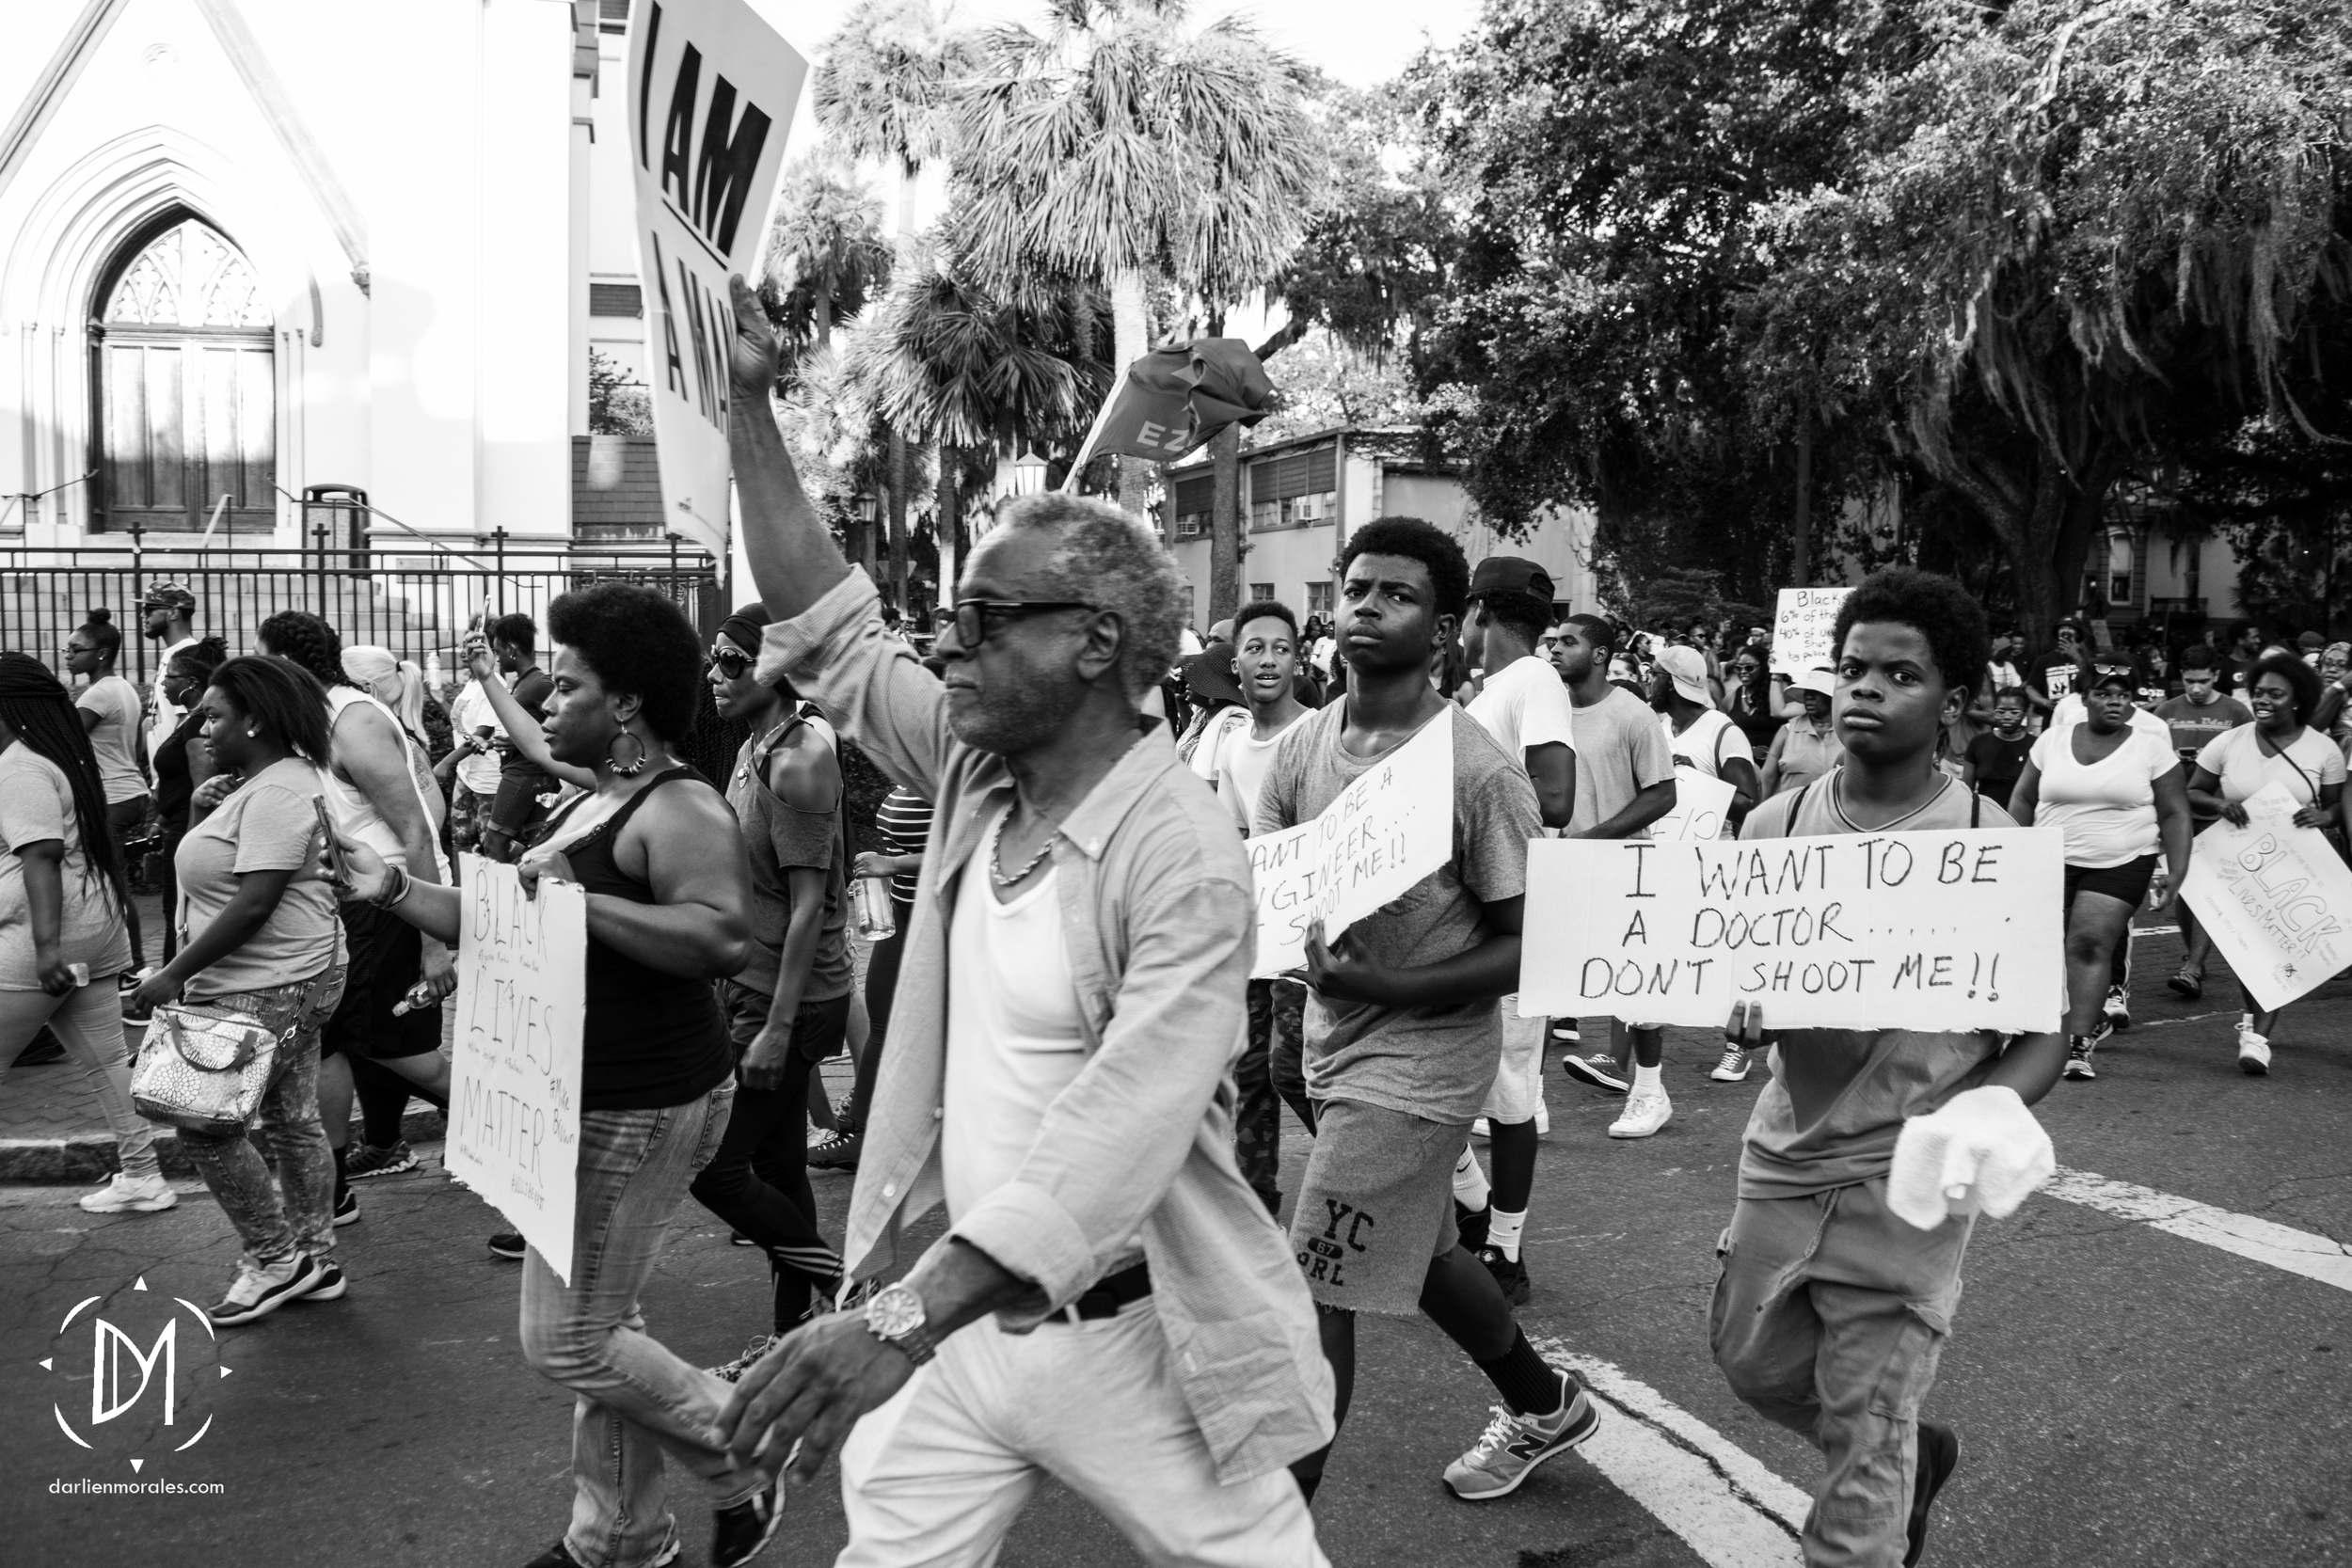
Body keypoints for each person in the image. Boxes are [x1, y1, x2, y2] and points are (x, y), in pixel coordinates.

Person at [716, 270, 1334, 1566]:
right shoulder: (972, 763)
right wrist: (747, 402)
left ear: (1099, 642)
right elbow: (825, 618)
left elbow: (1123, 1130)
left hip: (1127, 1340)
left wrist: (892, 1322)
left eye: (986, 622)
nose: (950, 647)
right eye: (952, 622)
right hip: (947, 1333)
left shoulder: (1184, 852)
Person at [337, 582, 779, 1568]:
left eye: (564, 684)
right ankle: (619, 1536)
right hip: (586, 1096)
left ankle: (743, 1445)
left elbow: (720, 935)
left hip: (643, 1102)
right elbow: (517, 914)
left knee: (568, 1340)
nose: (544, 704)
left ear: (623, 703)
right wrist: (399, 889)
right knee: (607, 1329)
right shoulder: (599, 793)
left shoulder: (681, 804)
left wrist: (580, 904)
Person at [1714, 566, 2064, 1568]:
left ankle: (1877, 1485)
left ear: (1953, 705)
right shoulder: (1772, 827)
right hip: (1784, 1152)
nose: (1863, 687)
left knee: (1865, 1433)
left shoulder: (1993, 845)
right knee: (1748, 1362)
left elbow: (2039, 1030)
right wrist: (1738, 1010)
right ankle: (1915, 1445)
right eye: (1852, 667)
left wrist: (1990, 1105)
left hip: (1911, 1177)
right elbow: (1740, 985)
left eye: (1897, 673)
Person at [1255, 517, 1590, 1508]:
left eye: (1397, 594)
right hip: (1331, 1047)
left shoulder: (1477, 768)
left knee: (1316, 1269)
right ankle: (1546, 1400)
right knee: (1425, 1247)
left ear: (1445, 629)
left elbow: (1535, 939)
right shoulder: (1299, 751)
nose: (1367, 605)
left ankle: (1271, 1526)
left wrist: (1392, 986)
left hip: (1426, 1060)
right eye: (1355, 587)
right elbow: (1279, 908)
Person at [134, 656, 351, 1323]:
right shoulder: (269, 784)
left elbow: (255, 902)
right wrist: (209, 808)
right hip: (282, 976)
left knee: (203, 1124)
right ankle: (312, 1258)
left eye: (215, 715)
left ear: (255, 720)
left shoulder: (280, 790)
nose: (201, 726)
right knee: (292, 1119)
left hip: (265, 983)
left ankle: (276, 1257)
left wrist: (172, 973)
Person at [693, 604, 856, 1380]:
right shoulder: (756, 746)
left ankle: (841, 1285)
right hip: (755, 986)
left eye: (732, 661)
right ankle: (797, 1336)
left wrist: (774, 1029)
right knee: (783, 1166)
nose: (715, 674)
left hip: (790, 997)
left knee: (716, 1166)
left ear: (777, 668)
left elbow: (807, 906)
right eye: (714, 658)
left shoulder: (799, 760)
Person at [254, 611, 453, 1207]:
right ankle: (331, 1191)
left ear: (287, 663)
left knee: (409, 1057)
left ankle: (525, 1134)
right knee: (332, 1044)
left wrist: (433, 942)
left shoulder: (352, 720)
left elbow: (419, 828)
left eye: (264, 659)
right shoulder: (312, 720)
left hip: (391, 906)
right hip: (349, 906)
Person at [0, 654, 167, 1216]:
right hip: (94, 927)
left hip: (40, 942)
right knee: (105, 1061)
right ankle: (145, 1175)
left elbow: (42, 854)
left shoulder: (21, 767)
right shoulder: (63, 757)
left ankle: (144, 1174)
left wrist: (46, 949)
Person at [1454, 557, 1576, 1306]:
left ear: (1477, 614)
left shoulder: (1534, 679)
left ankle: (1506, 1249)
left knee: (1511, 1093)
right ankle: (1474, 1211)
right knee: (1467, 1081)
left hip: (1519, 910)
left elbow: (1555, 796)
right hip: (1480, 908)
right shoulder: (1491, 691)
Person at [2006, 661, 2193, 1080]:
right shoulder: (2052, 740)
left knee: (2088, 944)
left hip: (2122, 862)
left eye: (2124, 694)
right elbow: (2022, 797)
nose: (2116, 702)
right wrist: (2015, 848)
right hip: (2049, 858)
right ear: (2084, 697)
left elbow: (2175, 812)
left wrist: (2176, 872)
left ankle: (2078, 1042)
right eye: (2105, 693)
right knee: (2041, 947)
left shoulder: (2151, 748)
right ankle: (2033, 1031)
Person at [2183, 653, 2349, 1073]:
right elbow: (2192, 792)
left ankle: (2257, 1036)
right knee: (2248, 951)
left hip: (2295, 868)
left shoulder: (2323, 749)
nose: (2264, 701)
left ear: (2297, 701)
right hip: (2238, 864)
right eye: (2258, 693)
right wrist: (2221, 803)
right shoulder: (2230, 741)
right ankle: (2253, 1020)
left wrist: (2323, 816)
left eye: (2276, 694)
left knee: (2276, 949)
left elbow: (2335, 808)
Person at [1214, 599, 1318, 1216]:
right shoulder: (1231, 744)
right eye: (1256, 647)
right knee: (1246, 1069)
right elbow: (1231, 832)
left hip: (1310, 935)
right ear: (1236, 663)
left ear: (1297, 659)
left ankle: (1369, 1171)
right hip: (1252, 927)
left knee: (1294, 1067)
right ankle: (1253, 1207)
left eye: (1281, 647)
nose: (1269, 658)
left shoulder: (1317, 733)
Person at [1548, 614, 1677, 1095]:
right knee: (1545, 979)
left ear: (1600, 655)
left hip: (1625, 868)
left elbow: (1663, 794)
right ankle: (1525, 1099)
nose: (1555, 650)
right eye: (1552, 642)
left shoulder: (1632, 714)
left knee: (1634, 979)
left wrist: (1597, 836)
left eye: (1568, 642)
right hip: (1561, 866)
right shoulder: (1549, 709)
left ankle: (1646, 1087)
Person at [812, 768, 934, 1173]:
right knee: (882, 1019)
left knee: (930, 1031)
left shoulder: (958, 766)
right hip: (901, 909)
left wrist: (893, 864)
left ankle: (868, 1133)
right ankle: (861, 1126)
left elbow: (972, 846)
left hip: (939, 917)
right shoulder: (913, 760)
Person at [2153, 646, 2254, 997]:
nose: (2196, 689)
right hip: (2176, 811)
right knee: (2182, 889)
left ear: (2216, 676)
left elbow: (2249, 757)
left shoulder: (2236, 711)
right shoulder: (2166, 711)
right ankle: (2191, 955)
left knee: (2210, 889)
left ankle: (2193, 966)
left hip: (2219, 812)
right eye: (2189, 681)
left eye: (2204, 681)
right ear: (2181, 676)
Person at [65, 610, 150, 982]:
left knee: (111, 885)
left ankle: (131, 969)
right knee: (111, 882)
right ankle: (128, 964)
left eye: (75, 648)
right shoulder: (124, 687)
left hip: (111, 798)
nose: (67, 655)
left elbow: (63, 739)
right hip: (131, 792)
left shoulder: (99, 694)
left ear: (101, 653)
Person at [151, 638, 228, 963]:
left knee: (179, 912)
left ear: (191, 683)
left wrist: (192, 842)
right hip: (177, 823)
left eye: (170, 676)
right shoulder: (192, 719)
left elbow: (205, 790)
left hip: (189, 828)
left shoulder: (199, 723)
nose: (164, 683)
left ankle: (174, 993)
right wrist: (161, 820)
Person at [483, 612, 558, 863]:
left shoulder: (539, 684)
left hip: (525, 776)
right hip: (525, 774)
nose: (497, 658)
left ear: (512, 649)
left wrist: (518, 741)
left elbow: (564, 726)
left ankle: (499, 899)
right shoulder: (522, 683)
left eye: (498, 651)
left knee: (494, 844)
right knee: (536, 847)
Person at [442, 616, 507, 856]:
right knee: (461, 845)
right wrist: (441, 701)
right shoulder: (472, 684)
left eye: (471, 645)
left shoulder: (493, 683)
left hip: (488, 783)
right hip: (466, 776)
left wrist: (444, 764)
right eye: (463, 644)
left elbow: (481, 735)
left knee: (488, 851)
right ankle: (464, 894)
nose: (464, 650)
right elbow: (463, 727)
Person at [138, 580, 200, 784]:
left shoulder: (187, 656)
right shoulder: (173, 653)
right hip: (162, 780)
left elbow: (188, 720)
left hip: (176, 782)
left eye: (149, 609)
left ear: (173, 612)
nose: (143, 615)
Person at [1759, 666, 1841, 798]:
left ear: (1831, 697)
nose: (1809, 697)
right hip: (1792, 814)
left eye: (1816, 692)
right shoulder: (1787, 731)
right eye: (1807, 691)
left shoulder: (1847, 732)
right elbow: (1767, 778)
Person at [1961, 688, 2035, 811]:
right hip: (1985, 817)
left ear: (2025, 713)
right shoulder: (1978, 742)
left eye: (2014, 712)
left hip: (2021, 820)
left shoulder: (2035, 745)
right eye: (2001, 712)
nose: (2007, 716)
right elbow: (1967, 790)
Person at [1723, 648, 1787, 761]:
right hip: (1743, 764)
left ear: (1763, 667)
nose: (1742, 672)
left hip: (1774, 763)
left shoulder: (1779, 692)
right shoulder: (1731, 698)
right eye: (1738, 668)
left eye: (1749, 667)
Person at [2025, 621, 2090, 718]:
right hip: (2052, 716)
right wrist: (2045, 702)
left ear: (2078, 634)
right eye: (2062, 628)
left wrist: (2075, 655)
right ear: (2057, 633)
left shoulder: (2086, 658)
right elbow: (2030, 688)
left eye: (2070, 628)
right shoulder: (2044, 660)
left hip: (2081, 714)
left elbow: (2089, 678)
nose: (2066, 631)